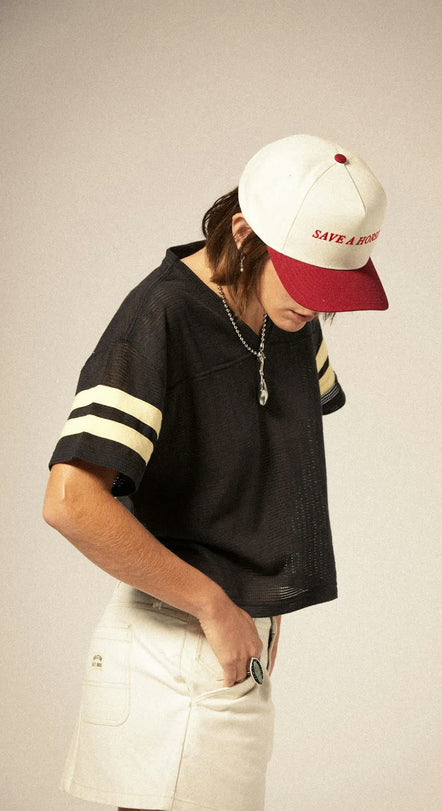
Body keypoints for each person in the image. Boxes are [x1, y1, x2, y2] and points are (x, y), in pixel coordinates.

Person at [43, 133, 388, 811]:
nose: (316, 305)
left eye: (330, 288)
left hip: (225, 647)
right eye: (306, 280)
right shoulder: (161, 317)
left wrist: (260, 603)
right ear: (244, 232)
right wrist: (215, 606)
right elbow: (71, 500)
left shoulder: (292, 319)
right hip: (175, 644)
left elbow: (259, 463)